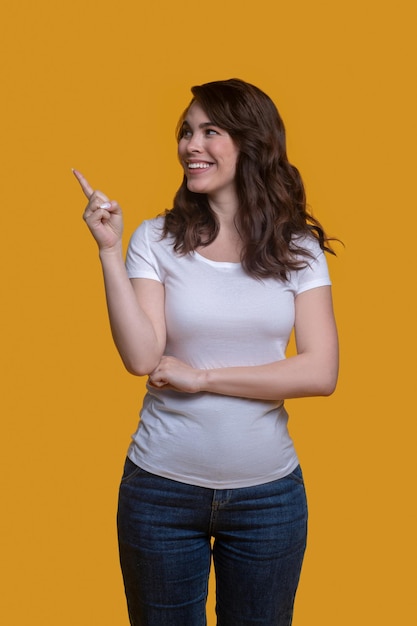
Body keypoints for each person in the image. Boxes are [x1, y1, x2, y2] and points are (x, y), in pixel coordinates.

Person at [74, 78, 339, 626]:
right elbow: (143, 358)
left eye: (209, 132)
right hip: (160, 493)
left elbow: (320, 370)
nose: (191, 145)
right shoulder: (155, 238)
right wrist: (108, 251)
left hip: (268, 498)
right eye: (186, 132)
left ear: (250, 143)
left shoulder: (298, 248)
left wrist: (201, 379)